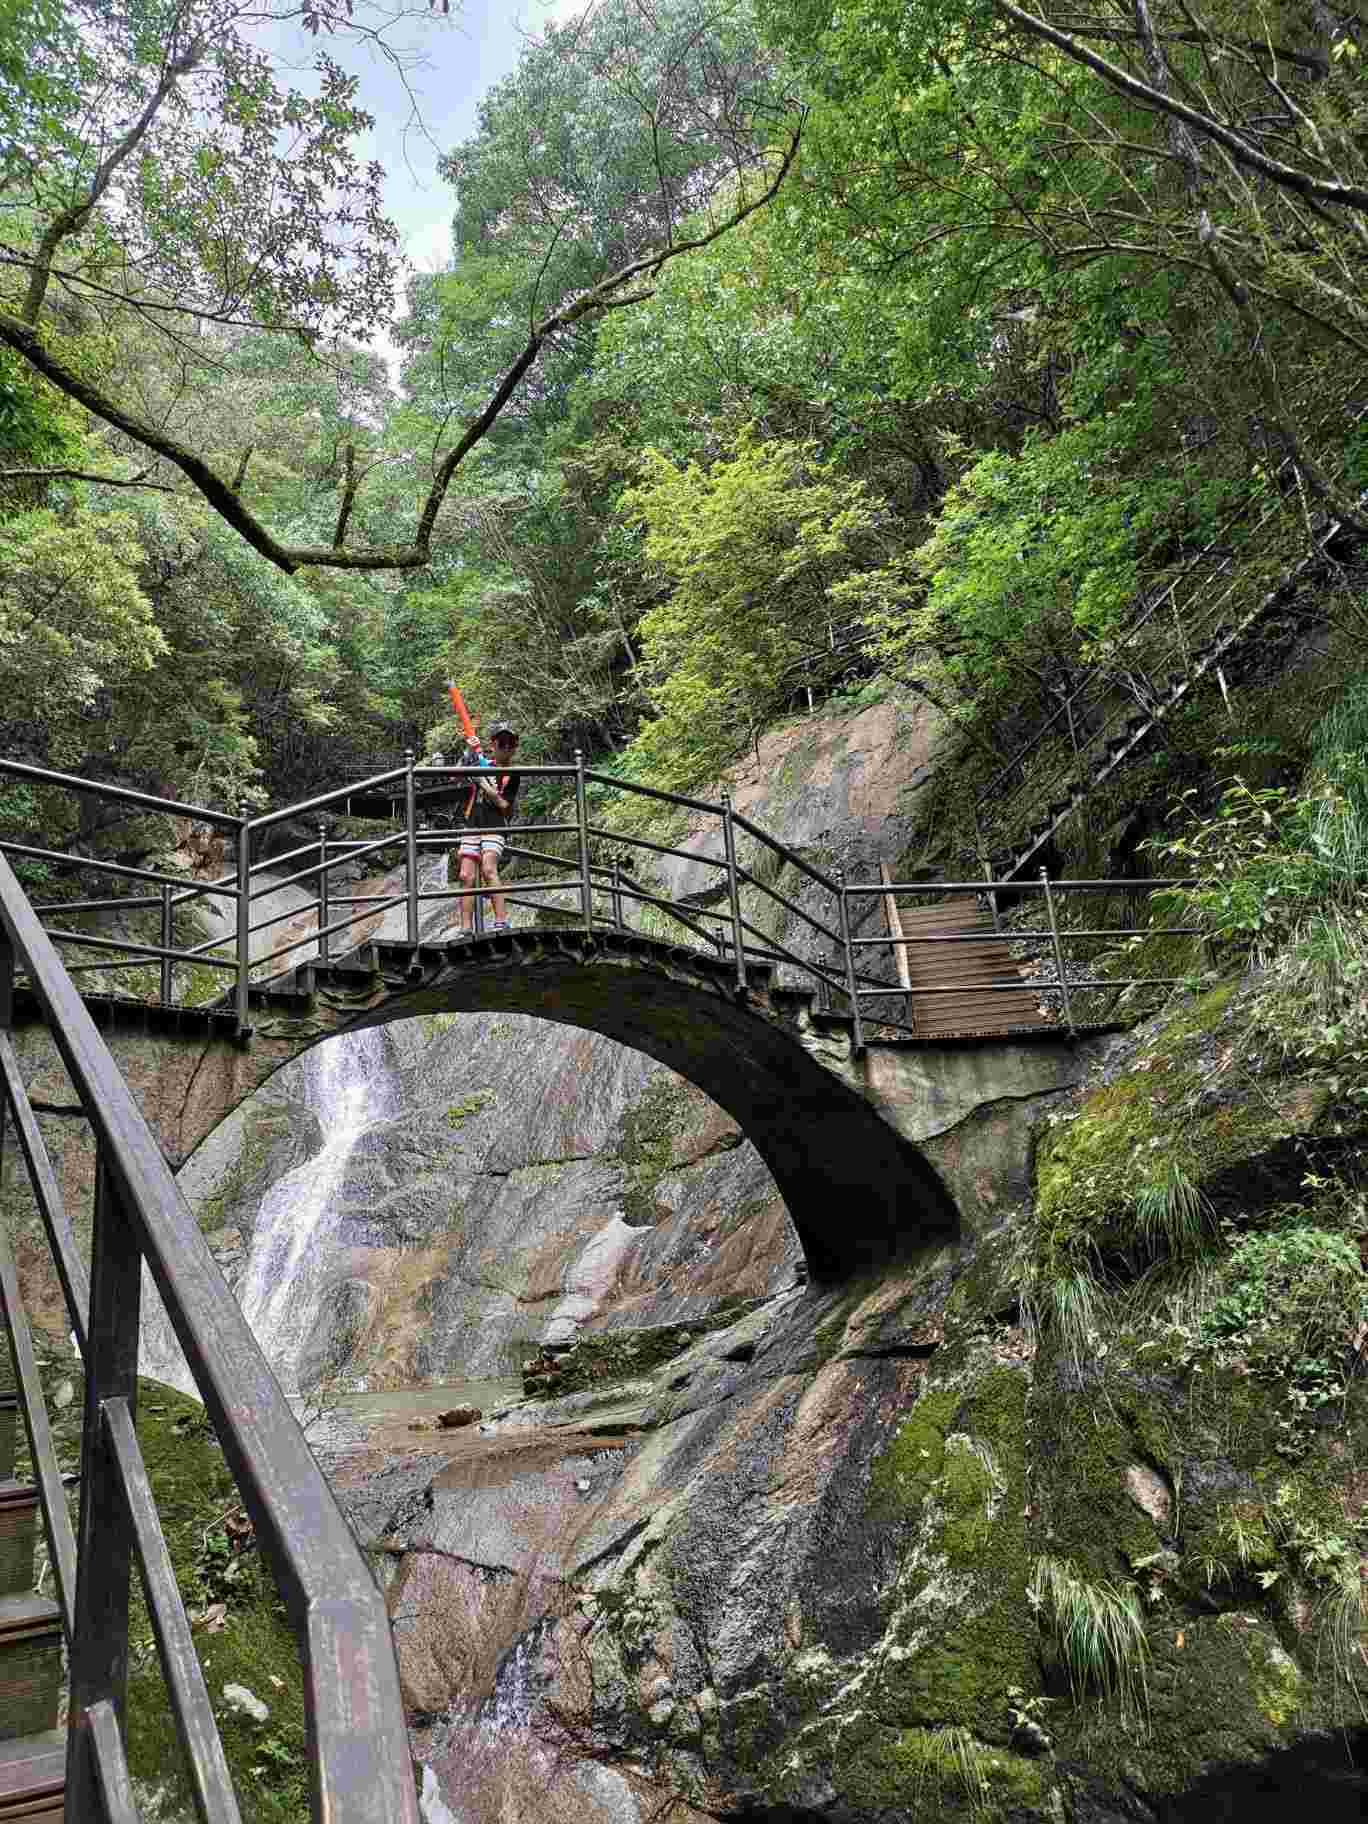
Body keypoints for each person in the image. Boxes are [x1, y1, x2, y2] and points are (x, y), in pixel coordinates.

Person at [454, 722, 521, 936]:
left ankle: (501, 922)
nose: (506, 747)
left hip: (495, 825)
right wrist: (468, 751)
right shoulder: (480, 762)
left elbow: (504, 806)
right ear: (493, 744)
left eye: (511, 743)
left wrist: (484, 784)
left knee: (489, 869)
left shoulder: (513, 773)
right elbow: (455, 776)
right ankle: (465, 927)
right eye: (502, 743)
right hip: (472, 823)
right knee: (466, 875)